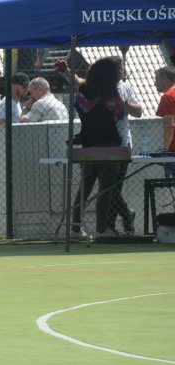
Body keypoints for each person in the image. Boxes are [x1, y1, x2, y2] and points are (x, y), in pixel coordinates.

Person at [69, 57, 126, 239]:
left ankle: (76, 228)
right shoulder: (111, 95)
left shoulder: (81, 93)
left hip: (88, 146)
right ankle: (102, 230)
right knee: (106, 190)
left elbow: (83, 110)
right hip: (110, 146)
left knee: (84, 188)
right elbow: (119, 115)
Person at [155, 66, 175, 177]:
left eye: (157, 79)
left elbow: (169, 125)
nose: (155, 83)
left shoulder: (168, 97)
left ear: (165, 79)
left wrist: (165, 151)